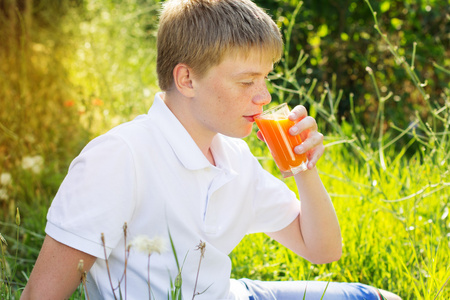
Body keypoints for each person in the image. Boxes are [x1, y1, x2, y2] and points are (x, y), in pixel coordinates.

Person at [21, 0, 401, 299]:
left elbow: (323, 249)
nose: (265, 96)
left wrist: (304, 167)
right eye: (246, 81)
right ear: (186, 79)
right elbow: (41, 295)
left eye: (265, 78)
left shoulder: (233, 157)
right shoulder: (119, 158)